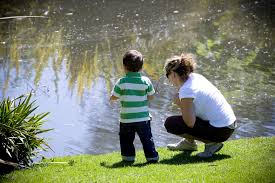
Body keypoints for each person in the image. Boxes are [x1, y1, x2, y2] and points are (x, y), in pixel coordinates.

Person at [164, 53, 236, 158]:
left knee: (171, 123)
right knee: (188, 113)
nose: (168, 78)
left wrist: (179, 102)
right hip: (230, 124)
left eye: (167, 75)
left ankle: (212, 143)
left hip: (221, 130)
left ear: (173, 74)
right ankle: (189, 143)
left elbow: (190, 123)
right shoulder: (195, 77)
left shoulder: (186, 90)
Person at [110, 50, 159, 163]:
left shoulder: (121, 82)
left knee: (126, 139)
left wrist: (111, 97)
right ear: (141, 67)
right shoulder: (145, 81)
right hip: (143, 118)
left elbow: (114, 97)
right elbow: (151, 96)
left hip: (126, 119)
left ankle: (128, 158)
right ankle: (152, 157)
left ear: (124, 66)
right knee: (147, 139)